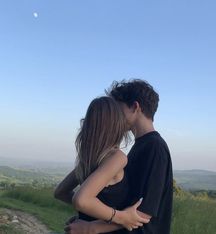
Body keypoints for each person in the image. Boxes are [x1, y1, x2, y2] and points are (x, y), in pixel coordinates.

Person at [60, 79, 173, 234]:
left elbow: (142, 213)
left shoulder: (155, 147)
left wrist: (90, 227)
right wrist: (90, 215)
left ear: (135, 107)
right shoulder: (140, 146)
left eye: (117, 109)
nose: (114, 116)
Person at [54, 96, 150, 234]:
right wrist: (121, 217)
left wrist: (93, 213)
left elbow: (60, 192)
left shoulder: (88, 160)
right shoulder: (117, 157)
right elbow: (81, 200)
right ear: (116, 125)